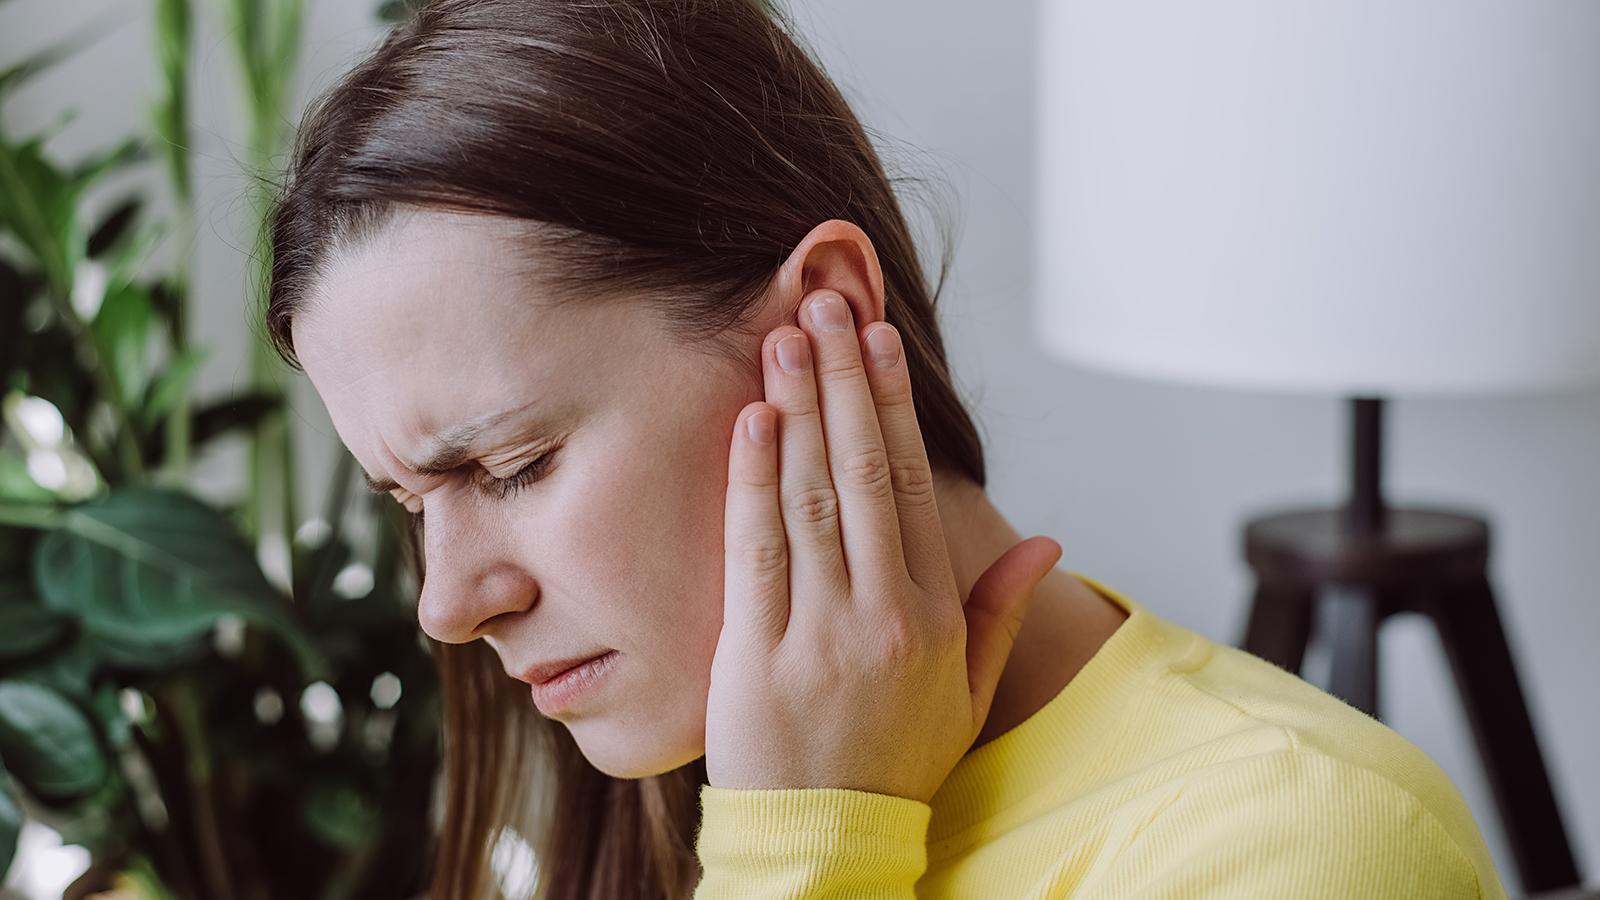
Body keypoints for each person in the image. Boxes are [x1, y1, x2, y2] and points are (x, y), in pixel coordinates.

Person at [263, 0, 1509, 897]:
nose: (447, 605)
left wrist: (807, 849)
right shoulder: (661, 782)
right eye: (410, 502)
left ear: (830, 321)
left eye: (514, 465)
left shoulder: (1308, 852)